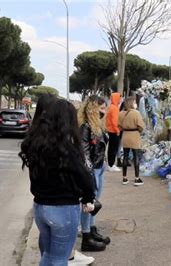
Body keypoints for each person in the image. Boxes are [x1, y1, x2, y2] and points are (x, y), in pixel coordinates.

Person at [19, 98, 96, 266]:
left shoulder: (35, 144)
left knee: (48, 255)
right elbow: (84, 177)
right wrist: (88, 198)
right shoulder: (65, 148)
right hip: (63, 209)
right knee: (59, 259)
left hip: (40, 207)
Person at [78, 95, 111, 252]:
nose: (104, 111)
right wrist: (90, 175)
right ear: (93, 109)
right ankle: (86, 237)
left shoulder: (97, 126)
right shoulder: (85, 127)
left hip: (99, 169)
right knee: (89, 204)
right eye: (102, 108)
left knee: (94, 203)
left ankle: (92, 229)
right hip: (92, 171)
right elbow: (85, 154)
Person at [119, 96, 145, 186]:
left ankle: (124, 178)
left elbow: (119, 125)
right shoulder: (136, 113)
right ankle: (137, 178)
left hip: (125, 135)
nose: (136, 103)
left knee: (125, 156)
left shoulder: (121, 113)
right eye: (134, 102)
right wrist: (139, 130)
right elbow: (141, 126)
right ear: (131, 103)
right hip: (134, 135)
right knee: (136, 156)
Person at [106, 92, 122, 172]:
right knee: (114, 148)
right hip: (114, 130)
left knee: (111, 148)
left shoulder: (110, 107)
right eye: (119, 98)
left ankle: (110, 164)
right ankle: (111, 165)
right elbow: (114, 121)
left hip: (110, 130)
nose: (120, 100)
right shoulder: (115, 108)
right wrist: (117, 130)